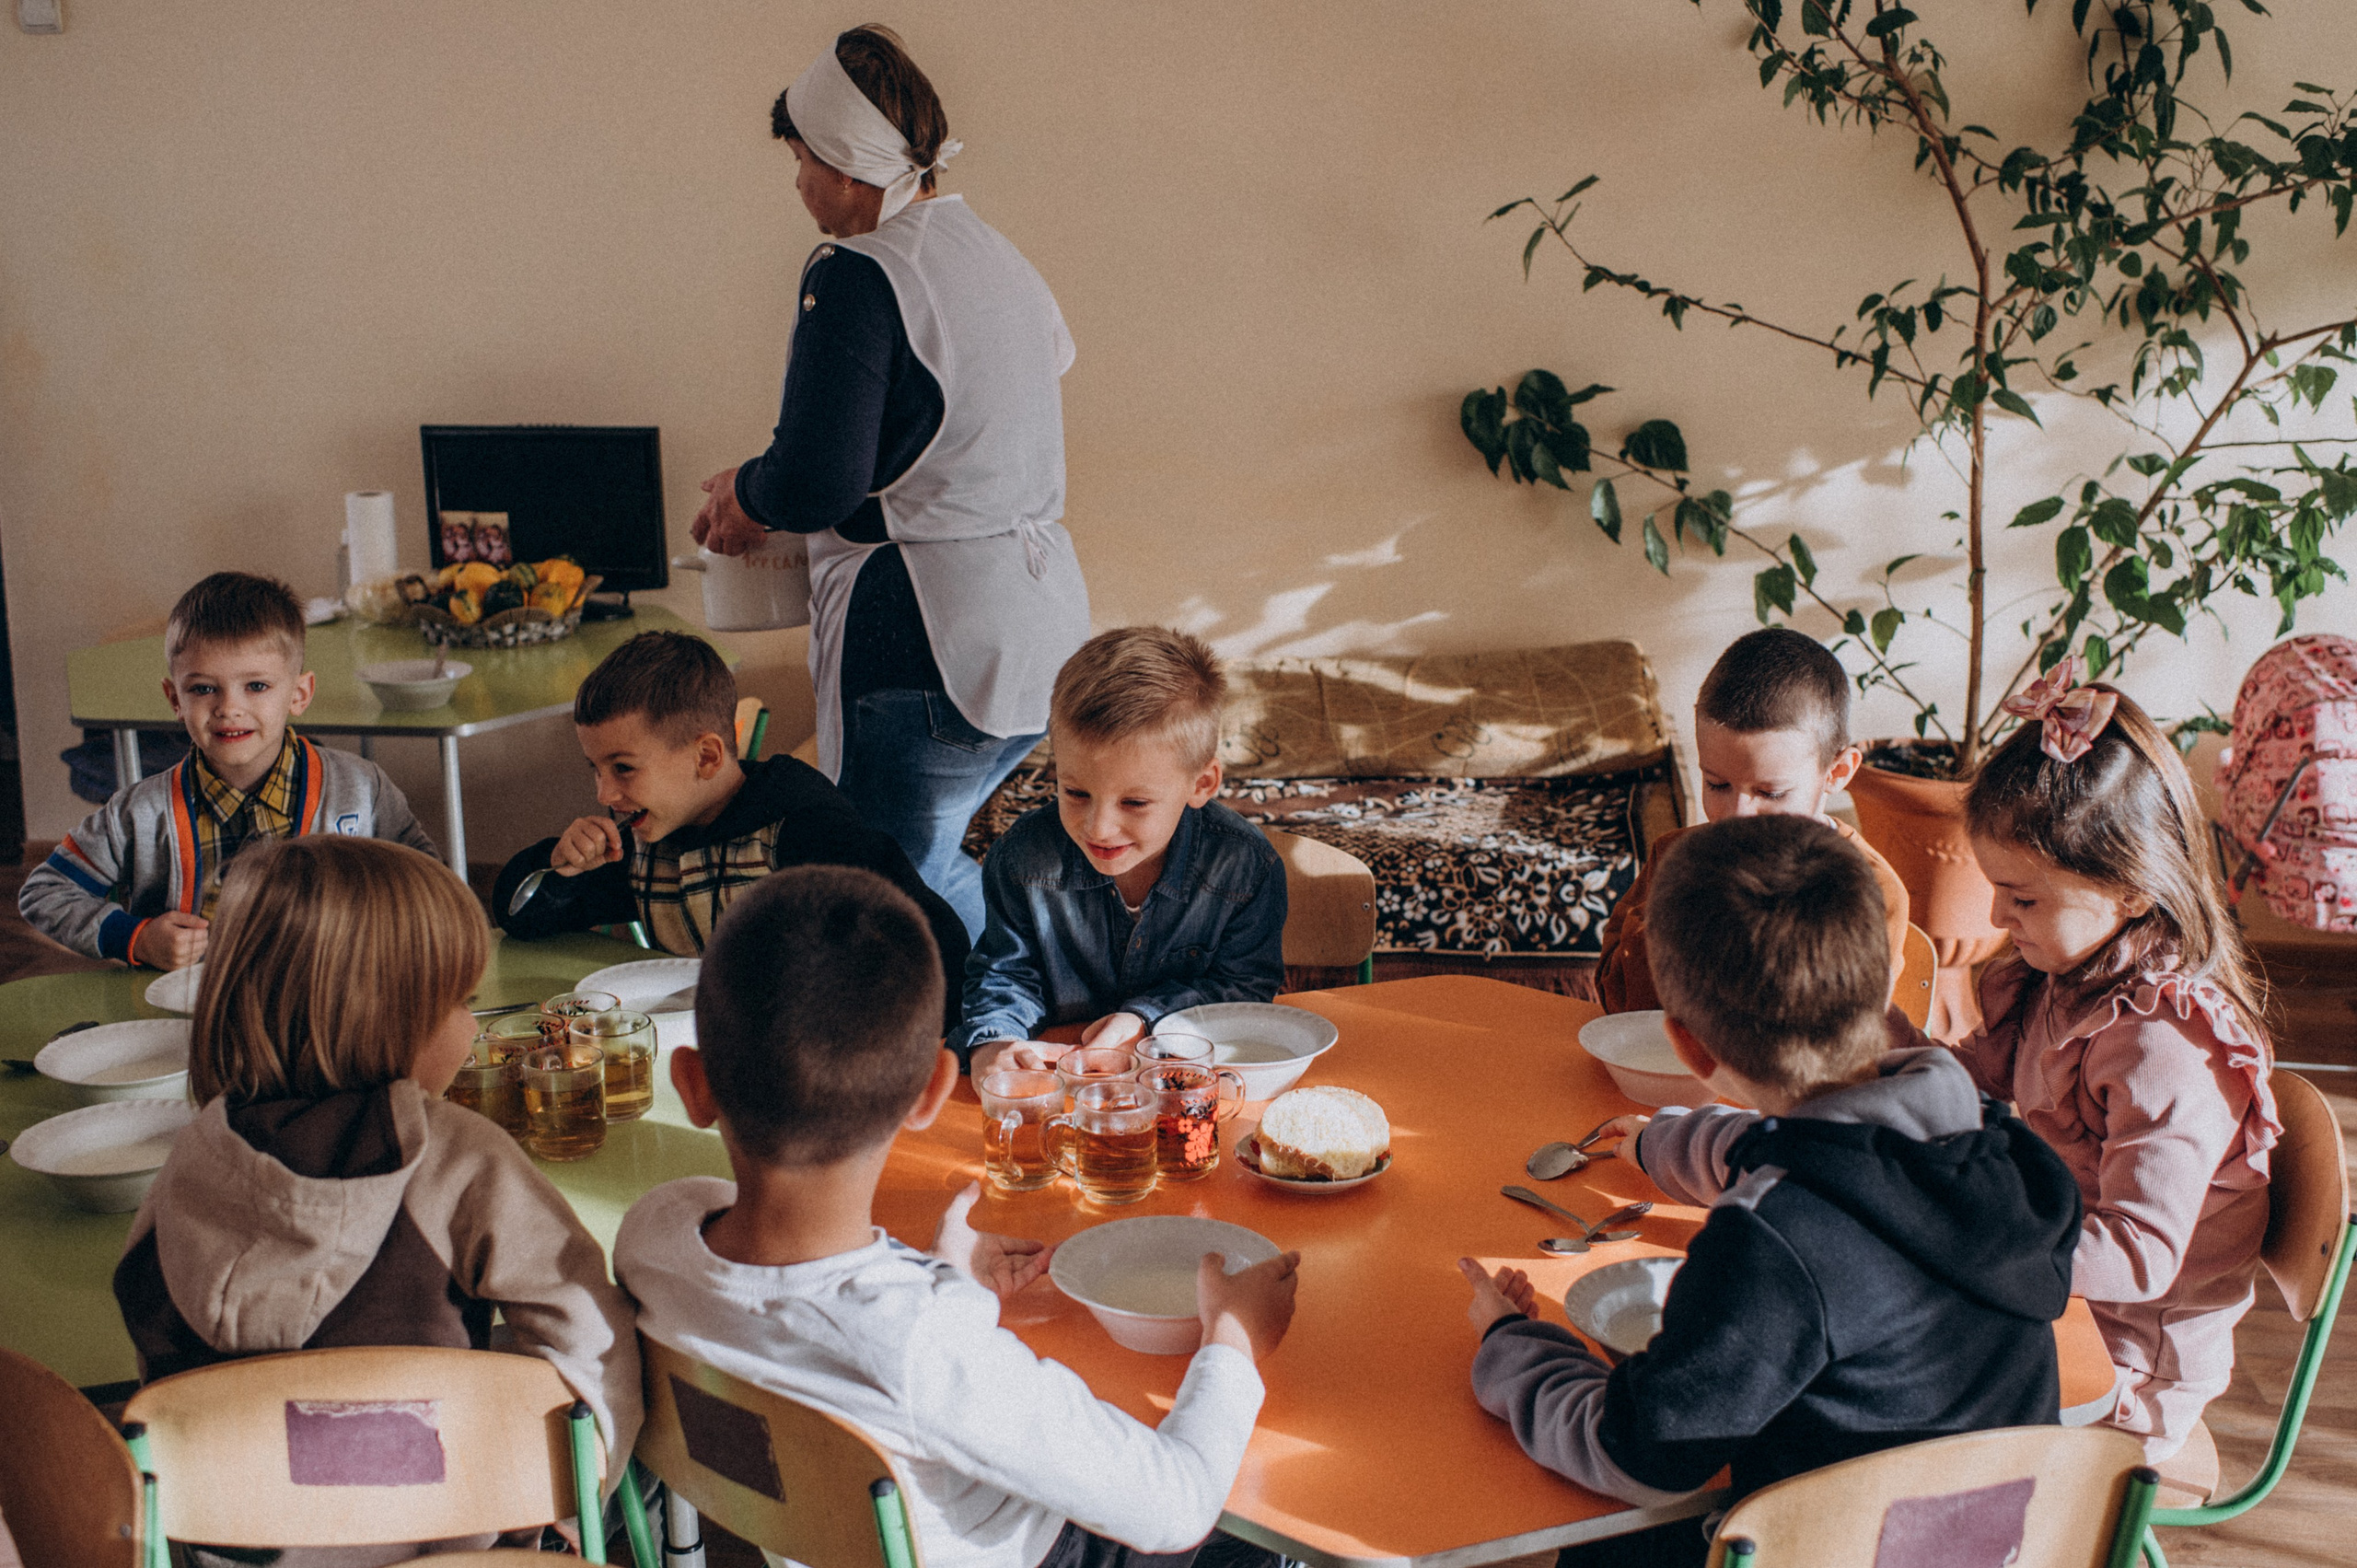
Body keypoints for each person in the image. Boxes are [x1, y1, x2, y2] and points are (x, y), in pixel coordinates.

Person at [615, 866, 1300, 1568]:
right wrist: (1232, 1339)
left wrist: (940, 1280)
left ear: (694, 1086)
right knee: (1258, 1515)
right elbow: (1176, 1505)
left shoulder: (654, 1233)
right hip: (1047, 1554)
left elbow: (829, 1330)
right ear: (934, 1091)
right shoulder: (924, 1344)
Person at [1460, 816, 2081, 1568]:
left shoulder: (1771, 1241)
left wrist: (1513, 1347)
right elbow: (1832, 1151)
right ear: (1882, 991)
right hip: (1999, 1546)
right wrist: (1664, 1141)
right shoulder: (1986, 1142)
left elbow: (1638, 1456)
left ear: (1687, 1045)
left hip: (1823, 1551)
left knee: (1616, 1539)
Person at [113, 837, 641, 1563]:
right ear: (390, 1018)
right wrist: (575, 1501)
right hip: (450, 1540)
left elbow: (153, 1347)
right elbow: (590, 1338)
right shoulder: (458, 1157)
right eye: (462, 1001)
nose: (472, 1023)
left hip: (235, 1539)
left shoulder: (189, 1159)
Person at [691, 24, 1090, 941]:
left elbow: (820, 480)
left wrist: (749, 496)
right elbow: (945, 420)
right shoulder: (992, 256)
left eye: (801, 159)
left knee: (883, 876)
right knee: (924, 856)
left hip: (924, 631)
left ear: (842, 159)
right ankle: (1017, 1007)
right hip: (1033, 621)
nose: (797, 183)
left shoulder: (858, 273)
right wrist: (769, 480)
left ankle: (990, 1027)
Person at [1894, 663, 2281, 1462]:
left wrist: (1965, 1245)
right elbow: (1968, 1081)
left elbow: (2138, 1255)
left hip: (2121, 1368)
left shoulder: (2163, 1046)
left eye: (2023, 898)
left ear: (2132, 889)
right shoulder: (2062, 976)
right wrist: (1879, 1038)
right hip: (2051, 1290)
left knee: (1871, 1398)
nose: (1998, 915)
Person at [493, 631, 969, 1028]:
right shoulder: (642, 845)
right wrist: (558, 869)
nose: (604, 794)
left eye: (622, 768)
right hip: (697, 1052)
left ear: (707, 757)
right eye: (595, 769)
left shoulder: (806, 832)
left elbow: (932, 939)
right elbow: (521, 917)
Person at [21, 572, 435, 970]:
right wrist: (139, 938)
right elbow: (45, 892)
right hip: (190, 1020)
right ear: (175, 698)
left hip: (335, 1014)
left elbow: (430, 885)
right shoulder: (138, 813)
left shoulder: (363, 788)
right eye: (203, 688)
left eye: (256, 686)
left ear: (300, 694)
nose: (228, 708)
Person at [954, 629, 1285, 1077]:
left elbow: (1244, 989)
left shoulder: (1246, 867)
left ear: (1201, 784)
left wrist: (1146, 1019)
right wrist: (996, 1043)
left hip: (1179, 1083)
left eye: (1134, 803)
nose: (1099, 828)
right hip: (1057, 1087)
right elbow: (1006, 975)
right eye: (1075, 792)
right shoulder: (1020, 860)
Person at [1594, 627, 1909, 1014]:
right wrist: (1672, 914)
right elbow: (1620, 1006)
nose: (1737, 816)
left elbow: (1842, 1036)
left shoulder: (1873, 890)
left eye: (1770, 793)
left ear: (1837, 773)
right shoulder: (1672, 858)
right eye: (1717, 784)